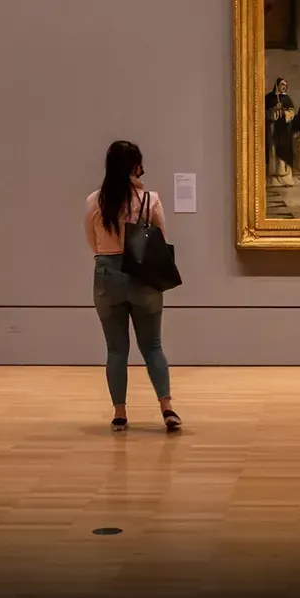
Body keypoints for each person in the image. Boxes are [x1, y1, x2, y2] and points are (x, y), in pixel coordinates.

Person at [84, 140, 182, 432]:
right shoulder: (149, 199)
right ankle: (166, 408)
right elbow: (160, 237)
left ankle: (119, 413)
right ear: (134, 167)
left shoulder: (95, 201)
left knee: (116, 349)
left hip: (106, 275)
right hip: (143, 278)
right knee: (152, 346)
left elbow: (92, 241)